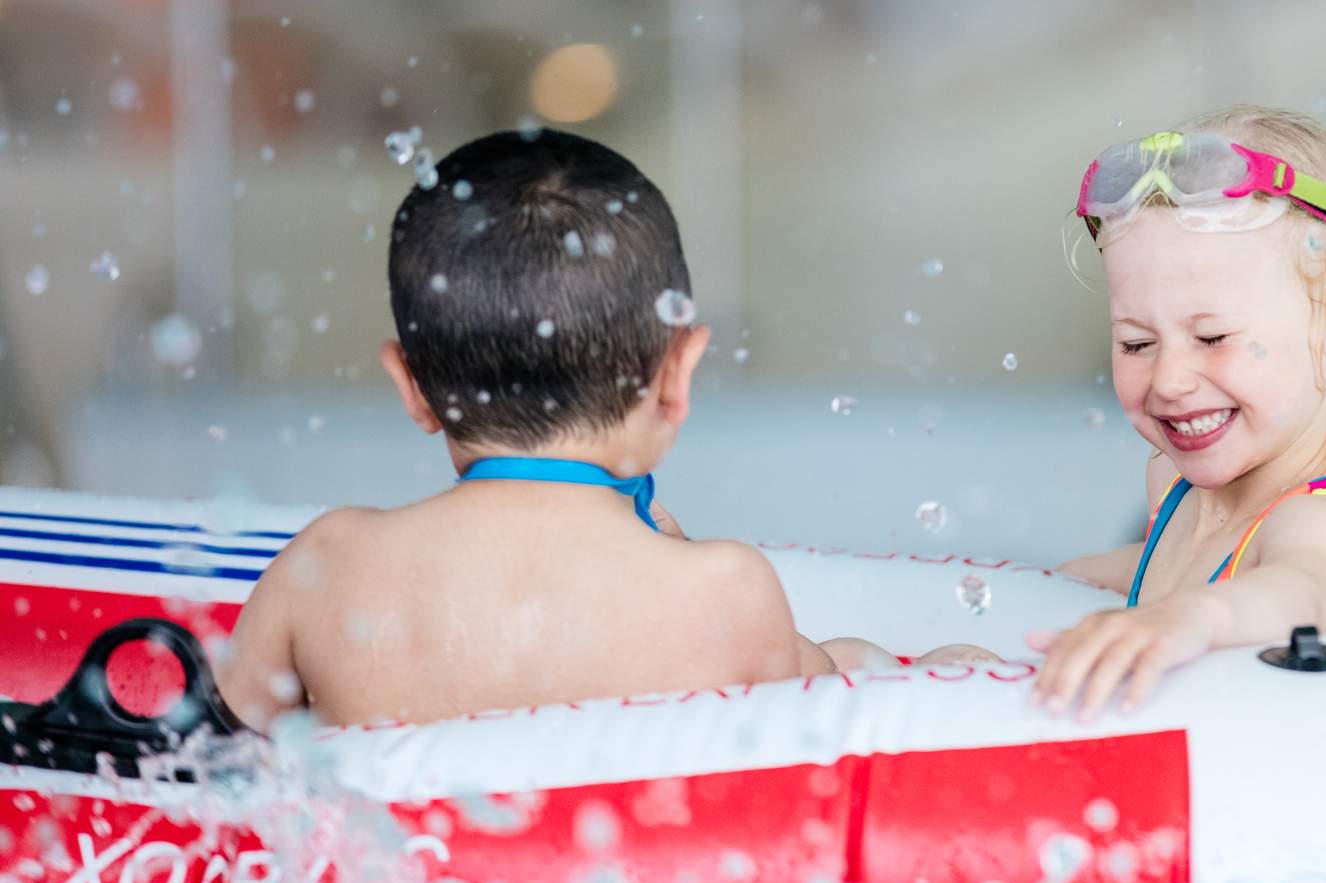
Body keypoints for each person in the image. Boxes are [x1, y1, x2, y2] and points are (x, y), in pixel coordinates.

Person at [218, 129, 930, 729]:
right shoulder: (722, 590)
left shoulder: (327, 563)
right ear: (677, 376)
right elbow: (827, 721)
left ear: (411, 386)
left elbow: (212, 759)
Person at [1029, 106, 1326, 719]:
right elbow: (1168, 574)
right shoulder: (1174, 486)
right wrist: (1043, 591)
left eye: (1212, 338)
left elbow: (1310, 589)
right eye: (1136, 343)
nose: (1169, 380)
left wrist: (1191, 619)